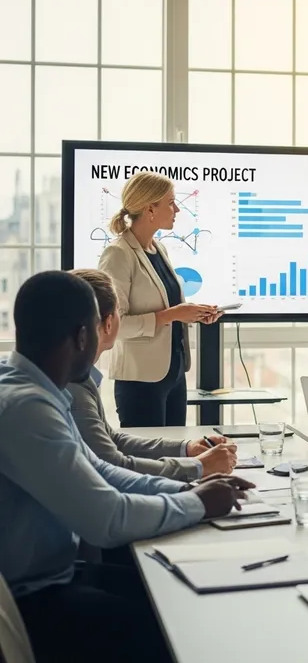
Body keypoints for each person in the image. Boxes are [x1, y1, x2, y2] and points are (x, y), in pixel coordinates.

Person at [0, 271, 253, 663]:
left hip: (55, 579)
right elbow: (107, 518)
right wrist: (199, 504)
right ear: (84, 336)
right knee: (181, 624)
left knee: (175, 589)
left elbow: (100, 471)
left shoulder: (34, 390)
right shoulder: (27, 407)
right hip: (35, 599)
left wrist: (189, 490)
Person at [68, 268, 237, 481]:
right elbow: (112, 466)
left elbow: (112, 440)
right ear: (109, 323)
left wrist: (188, 449)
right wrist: (198, 467)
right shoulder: (73, 388)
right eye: (120, 311)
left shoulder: (79, 375)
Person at [98, 171, 221, 428]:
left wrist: (196, 313)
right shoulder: (118, 254)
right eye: (171, 202)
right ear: (149, 208)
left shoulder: (158, 248)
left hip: (173, 373)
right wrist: (174, 314)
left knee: (174, 454)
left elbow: (169, 306)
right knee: (151, 458)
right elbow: (114, 325)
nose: (177, 208)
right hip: (140, 379)